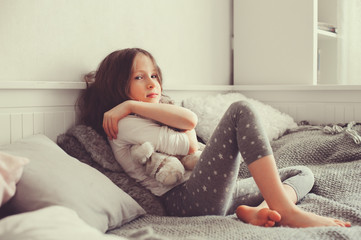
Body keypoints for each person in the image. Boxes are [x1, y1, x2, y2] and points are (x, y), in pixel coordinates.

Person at [77, 48, 351, 228]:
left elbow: (186, 124)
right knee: (240, 111)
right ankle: (287, 211)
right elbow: (190, 138)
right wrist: (131, 106)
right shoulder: (126, 124)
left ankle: (264, 210)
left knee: (301, 173)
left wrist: (136, 104)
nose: (152, 83)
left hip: (213, 194)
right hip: (186, 200)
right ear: (117, 85)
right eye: (140, 77)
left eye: (154, 75)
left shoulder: (151, 115)